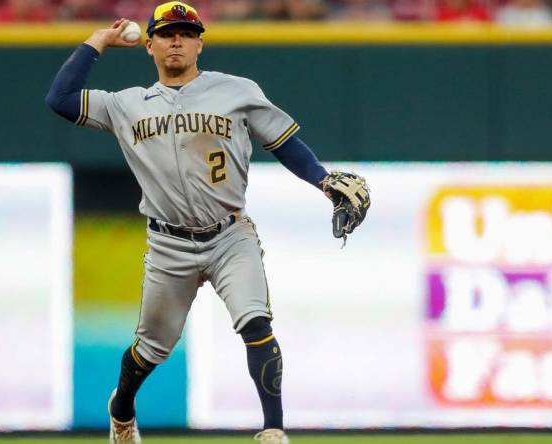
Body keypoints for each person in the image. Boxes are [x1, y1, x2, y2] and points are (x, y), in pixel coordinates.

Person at [45, 2, 368, 442]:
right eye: (165, 33)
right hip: (168, 244)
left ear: (200, 43)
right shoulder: (126, 105)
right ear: (150, 45)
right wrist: (99, 40)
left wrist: (324, 180)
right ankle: (121, 407)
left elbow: (286, 144)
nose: (175, 40)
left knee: (256, 322)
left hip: (230, 234)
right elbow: (60, 100)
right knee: (150, 350)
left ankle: (273, 429)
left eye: (185, 32)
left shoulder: (236, 91)